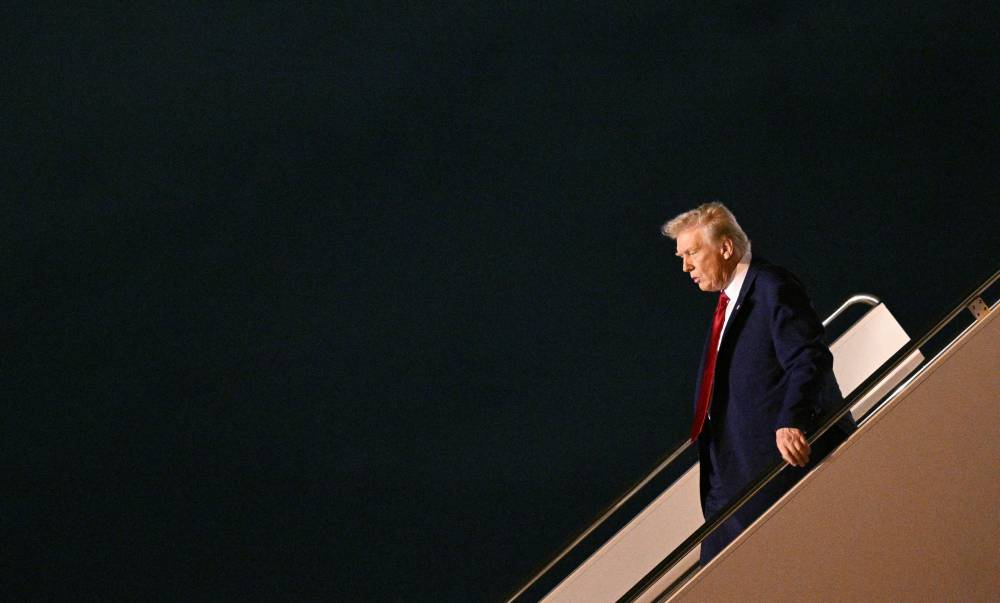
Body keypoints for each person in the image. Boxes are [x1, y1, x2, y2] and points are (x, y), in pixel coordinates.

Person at [662, 202, 853, 564]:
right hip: (730, 479)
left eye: (691, 253)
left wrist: (793, 419)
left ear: (725, 248)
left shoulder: (770, 287)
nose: (685, 266)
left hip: (768, 469)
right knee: (713, 582)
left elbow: (809, 357)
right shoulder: (728, 304)